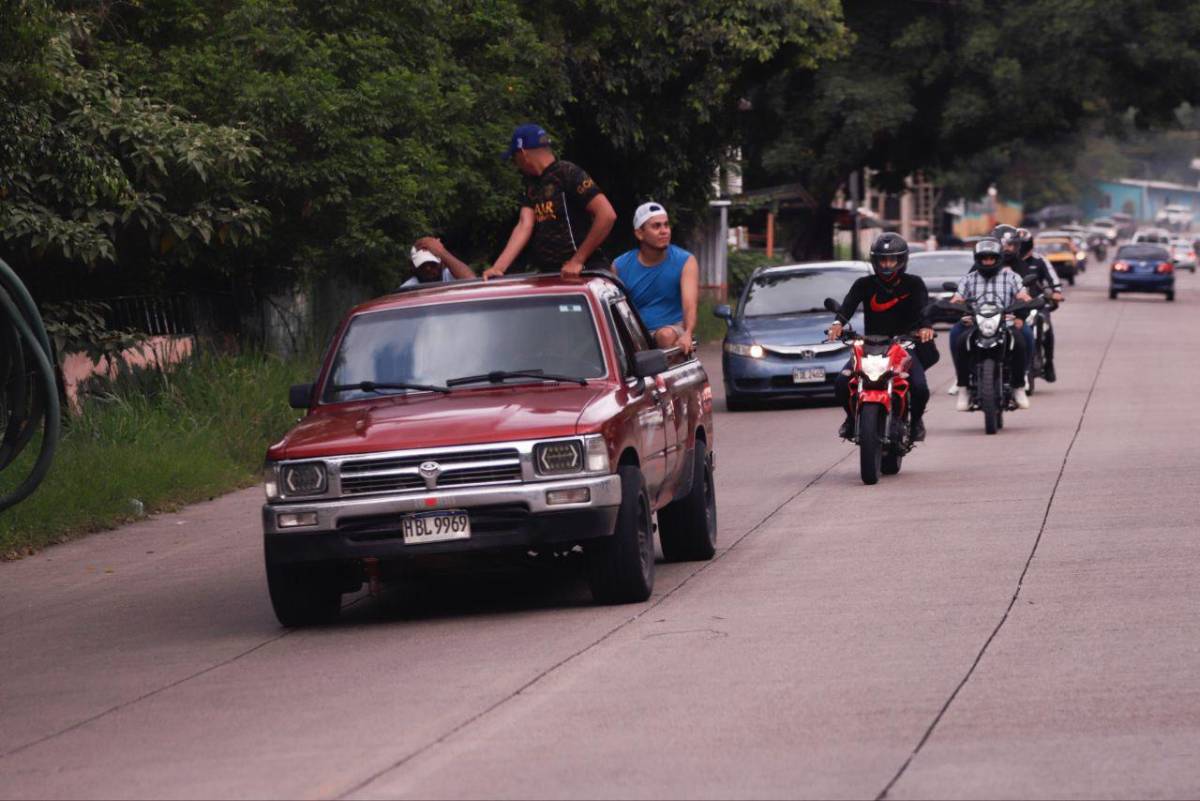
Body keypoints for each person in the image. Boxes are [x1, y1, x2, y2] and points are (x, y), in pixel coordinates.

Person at [828, 232, 935, 442]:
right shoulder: (864, 284)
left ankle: (916, 422)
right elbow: (848, 304)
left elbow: (923, 308)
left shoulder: (914, 284)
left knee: (920, 387)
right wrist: (838, 323)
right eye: (882, 260)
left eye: (892, 259)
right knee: (842, 382)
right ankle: (851, 419)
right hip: (871, 345)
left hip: (905, 345)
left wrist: (925, 328)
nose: (887, 265)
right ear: (875, 261)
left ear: (902, 260)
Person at [482, 124, 617, 279]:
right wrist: (498, 268)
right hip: (551, 274)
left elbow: (607, 215)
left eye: (514, 158)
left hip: (584, 271)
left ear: (523, 153)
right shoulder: (533, 185)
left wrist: (578, 260)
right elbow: (524, 224)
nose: (515, 164)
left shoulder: (567, 173)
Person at [948, 237, 1032, 411]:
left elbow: (1022, 295)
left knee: (1024, 339)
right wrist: (955, 303)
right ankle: (963, 386)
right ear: (977, 259)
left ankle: (1019, 386)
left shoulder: (1012, 277)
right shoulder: (969, 278)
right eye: (984, 258)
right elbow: (958, 297)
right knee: (957, 337)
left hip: (1005, 321)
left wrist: (1024, 301)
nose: (987, 261)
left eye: (991, 258)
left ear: (998, 258)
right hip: (975, 322)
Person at [612, 202, 699, 355]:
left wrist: (688, 333)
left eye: (666, 225)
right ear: (640, 234)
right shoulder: (620, 265)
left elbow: (689, 305)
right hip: (636, 334)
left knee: (665, 335)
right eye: (656, 226)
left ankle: (668, 377)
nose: (664, 231)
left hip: (672, 330)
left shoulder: (685, 260)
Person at [1014, 227, 1064, 382]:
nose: (1020, 248)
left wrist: (1056, 292)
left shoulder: (1040, 260)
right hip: (1014, 305)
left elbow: (1054, 280)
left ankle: (1048, 363)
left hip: (1037, 303)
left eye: (1023, 245)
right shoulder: (1006, 262)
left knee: (1045, 326)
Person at [400, 237, 476, 288]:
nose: (428, 268)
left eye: (432, 263)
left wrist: (442, 252)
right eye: (422, 265)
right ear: (414, 267)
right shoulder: (409, 288)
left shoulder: (449, 276)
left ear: (441, 263)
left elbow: (472, 281)